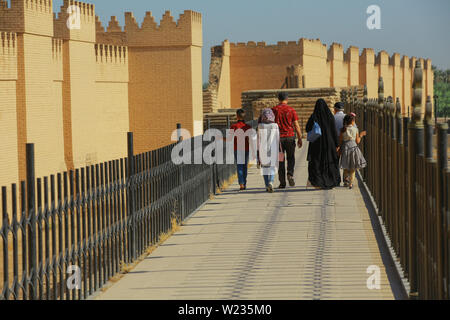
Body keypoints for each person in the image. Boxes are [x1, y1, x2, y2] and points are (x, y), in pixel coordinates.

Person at [306, 99, 341, 189]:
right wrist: (337, 144)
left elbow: (307, 128)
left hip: (316, 144)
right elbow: (334, 131)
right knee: (329, 162)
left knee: (317, 162)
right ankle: (330, 181)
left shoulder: (314, 117)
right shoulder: (330, 117)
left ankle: (318, 183)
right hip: (329, 144)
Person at [272, 92, 303, 189]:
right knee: (291, 157)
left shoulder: (274, 110)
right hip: (290, 137)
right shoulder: (291, 110)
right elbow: (296, 125)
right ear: (287, 99)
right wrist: (300, 138)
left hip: (278, 139)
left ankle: (282, 182)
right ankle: (290, 174)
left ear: (278, 99)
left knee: (280, 160)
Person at [339, 114, 367, 189]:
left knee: (345, 165)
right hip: (353, 148)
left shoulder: (342, 129)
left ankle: (345, 181)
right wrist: (361, 135)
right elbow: (357, 141)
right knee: (353, 167)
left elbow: (340, 141)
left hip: (345, 148)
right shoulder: (355, 129)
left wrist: (339, 149)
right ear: (352, 121)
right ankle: (351, 183)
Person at [257, 108, 280, 193]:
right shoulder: (275, 125)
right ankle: (271, 181)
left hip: (263, 149)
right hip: (273, 148)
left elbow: (258, 139)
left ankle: (267, 185)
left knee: (264, 168)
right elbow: (278, 139)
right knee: (272, 166)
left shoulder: (260, 125)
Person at [229, 109, 252, 191]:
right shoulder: (248, 127)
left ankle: (241, 183)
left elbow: (229, 139)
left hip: (237, 149)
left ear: (237, 116)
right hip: (245, 148)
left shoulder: (233, 126)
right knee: (244, 166)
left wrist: (220, 138)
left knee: (239, 166)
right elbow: (250, 139)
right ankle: (244, 182)